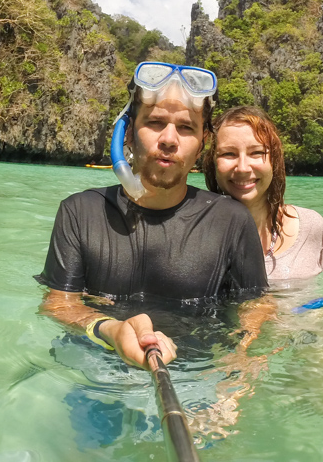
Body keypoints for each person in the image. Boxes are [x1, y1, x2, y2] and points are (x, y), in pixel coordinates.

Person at [37, 63, 269, 371]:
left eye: (186, 128)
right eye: (156, 122)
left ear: (202, 145)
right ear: (129, 133)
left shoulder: (230, 221)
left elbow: (255, 308)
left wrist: (237, 367)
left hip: (194, 374)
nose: (170, 140)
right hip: (97, 368)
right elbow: (58, 304)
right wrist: (109, 329)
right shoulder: (80, 212)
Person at [203, 106, 323, 295]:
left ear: (274, 161)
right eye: (228, 154)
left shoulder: (311, 226)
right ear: (212, 163)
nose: (243, 167)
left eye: (257, 152)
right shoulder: (197, 234)